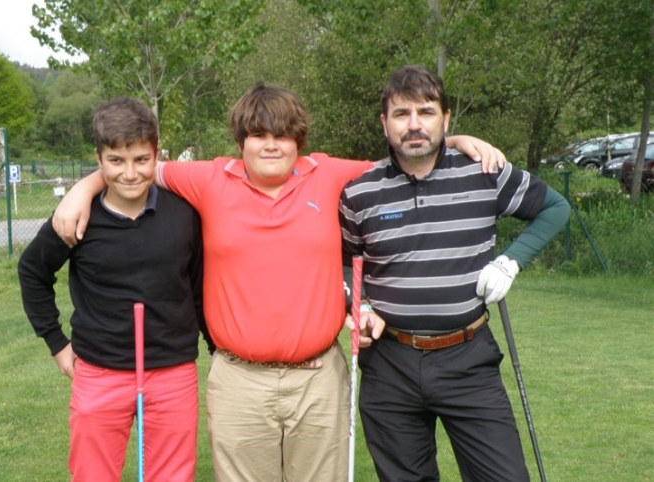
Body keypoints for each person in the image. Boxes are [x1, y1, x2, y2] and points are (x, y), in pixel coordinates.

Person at [51, 83, 505, 482]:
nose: (271, 146)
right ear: (241, 141)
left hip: (319, 378)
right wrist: (84, 187)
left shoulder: (327, 173)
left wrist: (456, 139)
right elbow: (135, 166)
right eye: (258, 136)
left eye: (282, 135)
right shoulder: (207, 178)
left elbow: (408, 155)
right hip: (239, 381)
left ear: (299, 142)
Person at [338, 65, 571, 482]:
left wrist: (510, 260)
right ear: (384, 123)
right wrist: (360, 305)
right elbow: (345, 262)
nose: (414, 125)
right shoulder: (360, 191)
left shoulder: (484, 170)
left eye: (426, 112)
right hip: (389, 363)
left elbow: (555, 208)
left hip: (468, 357)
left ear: (446, 119)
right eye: (401, 114)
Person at [18, 98, 210, 482]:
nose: (130, 173)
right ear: (99, 159)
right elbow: (32, 271)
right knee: (92, 475)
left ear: (157, 154)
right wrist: (56, 342)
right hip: (100, 370)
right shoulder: (76, 217)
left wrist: (216, 348)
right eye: (116, 161)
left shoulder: (184, 213)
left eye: (141, 159)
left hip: (172, 371)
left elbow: (198, 286)